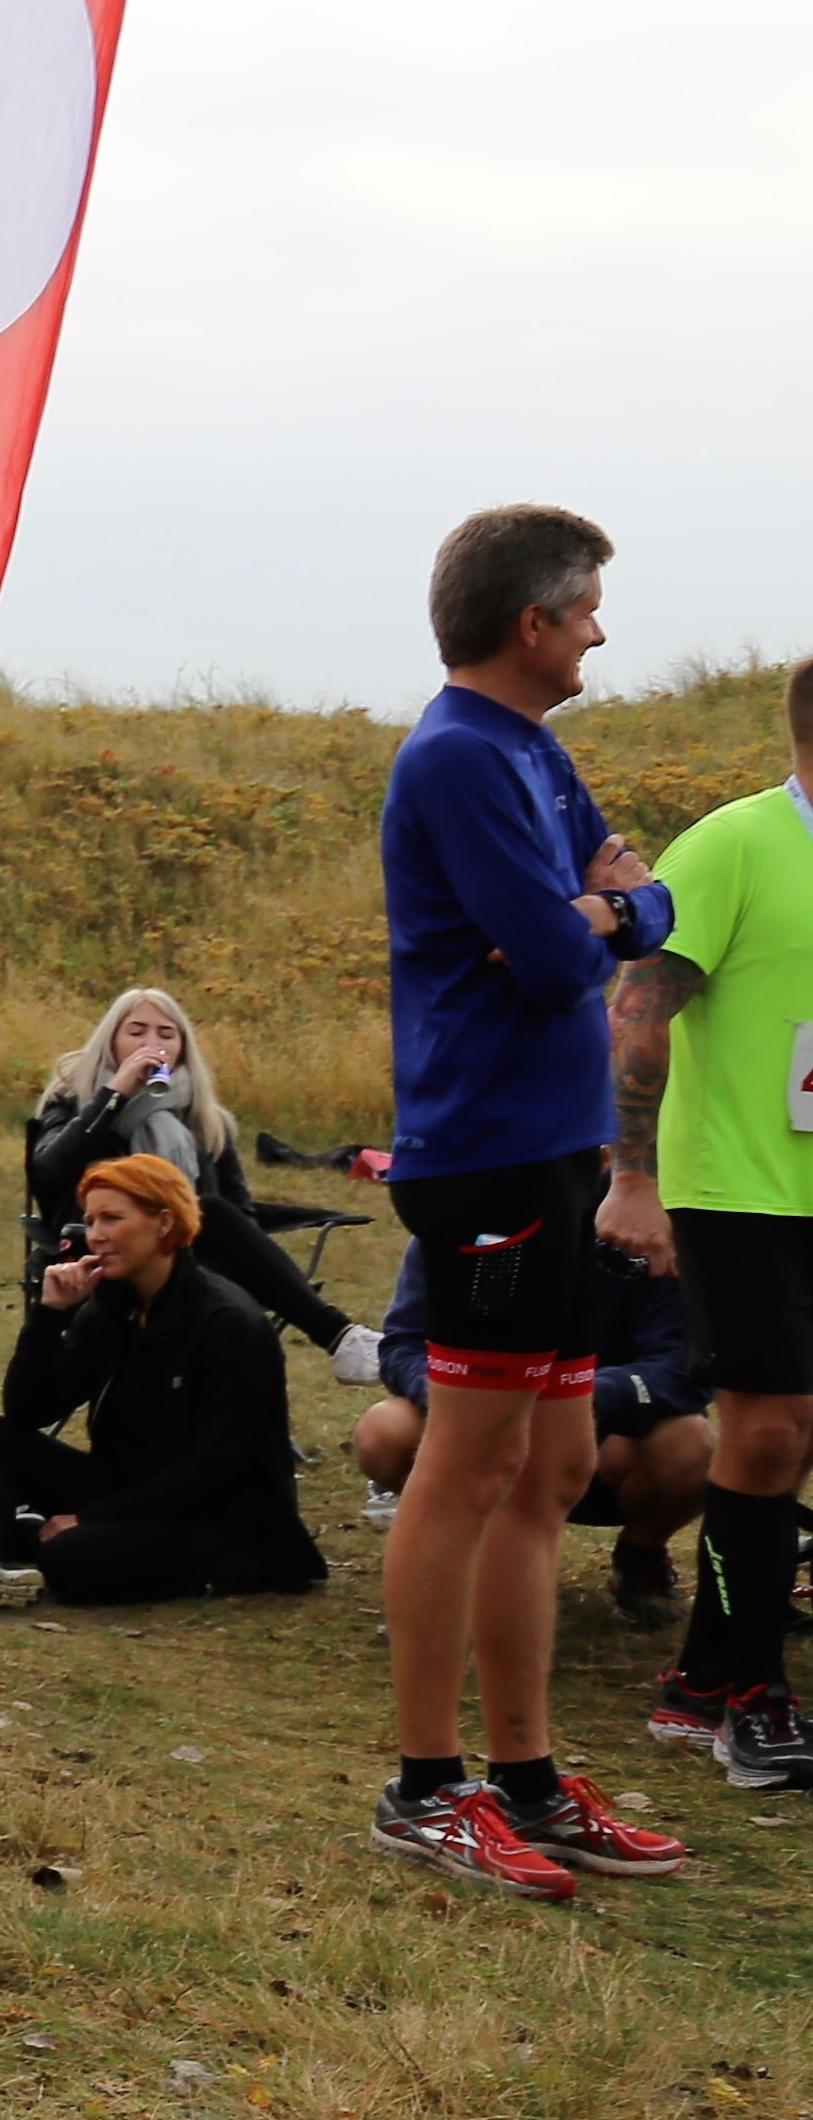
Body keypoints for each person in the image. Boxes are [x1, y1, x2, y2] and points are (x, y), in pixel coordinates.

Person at [367, 505, 685, 1895]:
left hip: (557, 1147)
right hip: (486, 1154)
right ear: (530, 622)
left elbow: (644, 903)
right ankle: (423, 1786)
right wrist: (598, 915)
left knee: (550, 1468)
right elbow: (565, 960)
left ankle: (528, 1777)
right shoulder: (454, 754)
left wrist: (602, 910)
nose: (600, 632)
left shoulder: (533, 749)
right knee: (470, 1464)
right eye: (587, 608)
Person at [601, 655, 813, 1791]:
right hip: (735, 1187)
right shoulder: (734, 844)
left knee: (792, 1437)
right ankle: (750, 1699)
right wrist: (633, 1178)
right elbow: (638, 1008)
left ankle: (697, 1681)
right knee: (767, 1430)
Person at [0, 1154, 326, 1612]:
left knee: (70, 1559)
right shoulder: (113, 1307)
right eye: (90, 1221)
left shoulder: (228, 1322)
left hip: (219, 1516)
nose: (96, 1235)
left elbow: (216, 1467)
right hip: (129, 1489)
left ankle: (38, 1536)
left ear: (163, 1223)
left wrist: (91, 1517)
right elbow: (29, 1411)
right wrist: (49, 1316)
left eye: (112, 1218)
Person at [352, 1226, 710, 1626]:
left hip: (603, 1442)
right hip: (480, 1427)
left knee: (693, 1447)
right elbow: (402, 1344)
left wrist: (587, 1395)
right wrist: (451, 1392)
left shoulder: (642, 1231)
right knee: (383, 1432)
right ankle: (467, 1550)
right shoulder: (454, 1221)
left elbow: (683, 1366)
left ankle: (640, 1554)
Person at [28, 988, 383, 1383]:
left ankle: (341, 1341)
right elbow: (49, 1169)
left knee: (211, 1212)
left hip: (187, 1260)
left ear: (183, 1048)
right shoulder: (75, 1101)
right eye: (136, 1032)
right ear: (111, 1041)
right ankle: (339, 1337)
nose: (151, 1044)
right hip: (101, 1257)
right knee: (206, 1210)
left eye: (166, 1034)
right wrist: (114, 1097)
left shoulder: (202, 1119)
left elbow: (240, 1208)